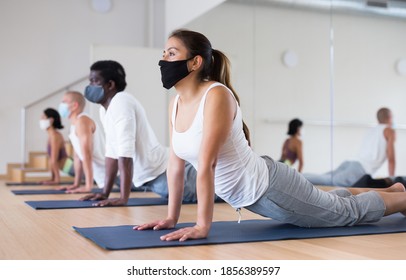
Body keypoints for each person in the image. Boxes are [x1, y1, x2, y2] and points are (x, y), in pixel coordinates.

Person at [135, 29, 406, 242]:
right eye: (164, 53)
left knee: (346, 214)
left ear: (195, 62)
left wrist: (202, 226)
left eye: (171, 53)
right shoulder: (176, 104)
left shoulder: (216, 95)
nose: (163, 60)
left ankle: (402, 199)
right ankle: (393, 191)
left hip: (270, 189)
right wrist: (171, 217)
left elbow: (208, 163)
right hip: (262, 194)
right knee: (330, 204)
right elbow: (175, 164)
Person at [80, 60, 201, 206]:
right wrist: (104, 193)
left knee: (228, 192)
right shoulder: (105, 110)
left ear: (110, 85)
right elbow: (112, 152)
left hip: (170, 173)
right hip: (160, 179)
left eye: (94, 81)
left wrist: (123, 199)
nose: (90, 86)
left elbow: (125, 153)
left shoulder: (121, 101)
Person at [303, 107, 395, 187]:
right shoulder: (389, 130)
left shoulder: (372, 130)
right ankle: (293, 177)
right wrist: (393, 180)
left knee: (323, 177)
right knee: (328, 181)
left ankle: (296, 175)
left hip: (350, 162)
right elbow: (391, 158)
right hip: (360, 168)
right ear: (390, 117)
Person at [57, 91, 106, 193]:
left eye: (64, 102)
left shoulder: (82, 121)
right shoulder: (74, 124)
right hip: (103, 176)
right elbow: (78, 157)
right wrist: (76, 184)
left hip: (116, 176)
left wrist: (88, 186)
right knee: (69, 165)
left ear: (75, 105)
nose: (61, 104)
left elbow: (87, 155)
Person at [39, 108, 74, 185]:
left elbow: (54, 159)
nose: (40, 120)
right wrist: (52, 179)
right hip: (68, 167)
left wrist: (56, 180)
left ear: (51, 120)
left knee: (97, 178)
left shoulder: (55, 136)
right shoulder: (51, 136)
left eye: (43, 118)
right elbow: (52, 159)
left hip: (71, 167)